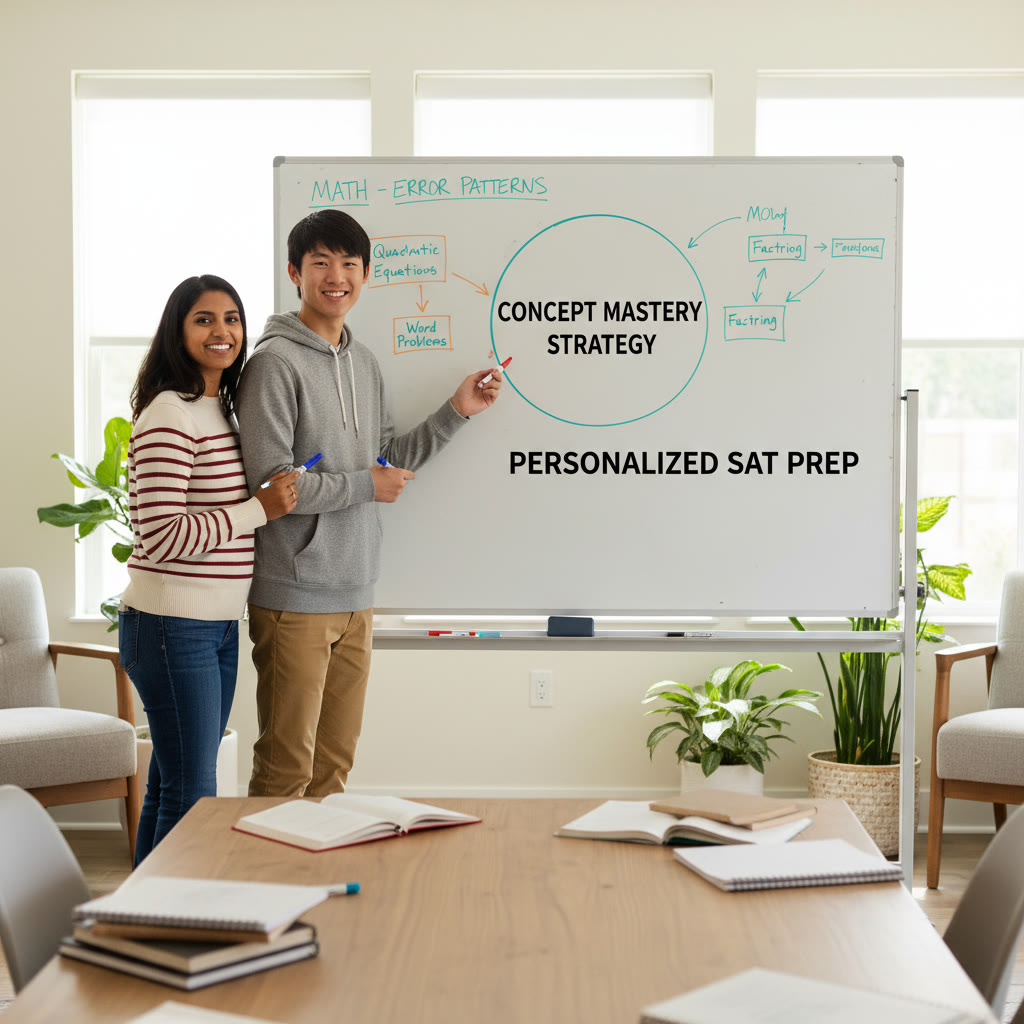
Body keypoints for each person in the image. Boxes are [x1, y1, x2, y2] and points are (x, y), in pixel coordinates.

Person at [236, 209, 501, 798]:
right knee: (286, 768)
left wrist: (455, 411)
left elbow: (385, 462)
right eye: (321, 263)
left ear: (365, 275)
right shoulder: (273, 365)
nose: (337, 276)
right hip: (294, 596)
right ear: (294, 273)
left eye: (349, 264)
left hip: (357, 592)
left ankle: (323, 884)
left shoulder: (364, 363)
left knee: (333, 769)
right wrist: (364, 486)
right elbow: (273, 488)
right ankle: (265, 887)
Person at [119, 274, 299, 864]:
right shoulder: (170, 415)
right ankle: (175, 918)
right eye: (204, 319)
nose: (222, 331)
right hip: (173, 626)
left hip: (213, 626)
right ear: (178, 330)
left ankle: (142, 918)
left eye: (231, 319)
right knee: (194, 793)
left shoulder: (217, 410)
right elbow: (161, 535)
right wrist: (258, 509)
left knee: (175, 785)